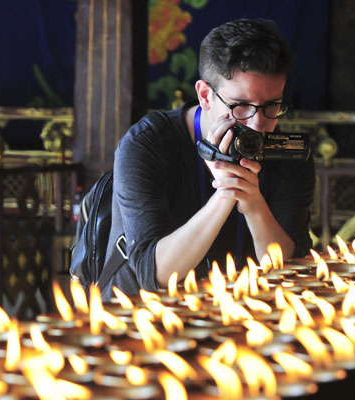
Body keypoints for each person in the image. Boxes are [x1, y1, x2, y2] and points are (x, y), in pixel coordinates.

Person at [101, 18, 315, 300]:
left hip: (242, 313)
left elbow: (288, 271)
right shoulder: (147, 144)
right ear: (205, 95)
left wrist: (254, 206)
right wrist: (226, 195)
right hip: (141, 315)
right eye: (240, 106)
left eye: (272, 106)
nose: (257, 125)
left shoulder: (289, 153)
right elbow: (154, 275)